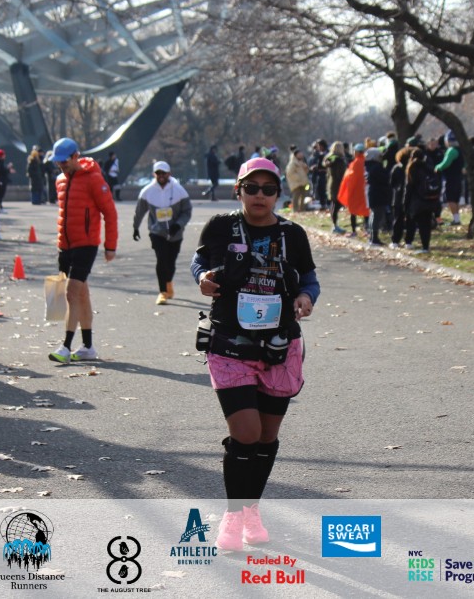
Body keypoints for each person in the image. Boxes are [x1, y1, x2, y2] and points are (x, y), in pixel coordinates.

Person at [190, 157, 320, 551]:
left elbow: (309, 277)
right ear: (239, 190)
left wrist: (305, 296)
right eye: (251, 188)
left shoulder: (292, 234)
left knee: (266, 436)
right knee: (245, 433)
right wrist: (202, 278)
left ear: (278, 193)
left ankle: (251, 510)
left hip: (279, 345)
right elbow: (200, 261)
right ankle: (233, 516)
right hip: (230, 342)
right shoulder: (220, 226)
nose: (259, 195)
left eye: (268, 189)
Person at [47, 137, 118, 363]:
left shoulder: (94, 179)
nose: (61, 165)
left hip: (86, 244)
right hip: (65, 245)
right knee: (81, 295)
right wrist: (60, 242)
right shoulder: (60, 180)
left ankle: (65, 346)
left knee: (71, 293)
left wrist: (110, 246)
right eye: (58, 161)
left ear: (75, 156)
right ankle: (87, 347)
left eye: (64, 161)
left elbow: (110, 212)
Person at [132, 161, 192, 305]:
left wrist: (178, 225)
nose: (161, 176)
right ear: (154, 174)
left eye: (163, 173)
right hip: (157, 232)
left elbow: (187, 211)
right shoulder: (147, 191)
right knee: (161, 259)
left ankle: (168, 282)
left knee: (171, 262)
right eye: (158, 173)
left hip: (175, 233)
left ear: (169, 174)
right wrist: (136, 227)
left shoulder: (179, 190)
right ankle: (162, 292)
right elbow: (139, 211)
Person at [404, 148, 440, 254]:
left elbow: (409, 188)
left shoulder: (412, 169)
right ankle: (425, 246)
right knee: (426, 225)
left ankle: (419, 245)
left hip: (417, 201)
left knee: (419, 224)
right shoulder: (429, 168)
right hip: (430, 200)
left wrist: (405, 204)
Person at [435, 130, 464, 225]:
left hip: (450, 178)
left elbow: (445, 164)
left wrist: (437, 167)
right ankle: (457, 219)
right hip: (458, 177)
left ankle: (456, 219)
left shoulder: (451, 150)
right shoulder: (460, 150)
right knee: (455, 199)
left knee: (450, 198)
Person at [364, 147, 390, 246]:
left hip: (373, 192)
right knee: (377, 216)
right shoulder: (376, 167)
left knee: (373, 215)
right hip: (378, 193)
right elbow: (385, 178)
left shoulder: (368, 166)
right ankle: (374, 238)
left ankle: (372, 237)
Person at [323, 141, 348, 233]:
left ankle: (334, 225)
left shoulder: (329, 158)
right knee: (336, 205)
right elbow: (340, 174)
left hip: (331, 183)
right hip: (338, 184)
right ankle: (335, 226)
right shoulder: (339, 160)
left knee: (333, 204)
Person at [284, 147, 309, 213]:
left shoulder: (301, 163)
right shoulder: (292, 163)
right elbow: (290, 173)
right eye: (299, 154)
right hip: (296, 183)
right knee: (296, 196)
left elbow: (305, 172)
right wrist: (298, 178)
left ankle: (302, 209)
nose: (301, 155)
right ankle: (295, 210)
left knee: (303, 196)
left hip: (303, 183)